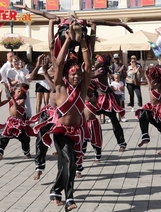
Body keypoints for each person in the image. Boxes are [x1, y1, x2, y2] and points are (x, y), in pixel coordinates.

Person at [48, 28, 91, 211]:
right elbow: (58, 65)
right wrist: (66, 41)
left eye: (78, 74)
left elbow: (87, 67)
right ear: (67, 74)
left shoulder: (82, 88)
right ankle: (69, 198)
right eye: (73, 74)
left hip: (76, 132)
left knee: (65, 162)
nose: (77, 76)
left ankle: (56, 190)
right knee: (70, 161)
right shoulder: (59, 87)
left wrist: (82, 43)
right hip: (60, 132)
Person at [92, 53, 127, 152]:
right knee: (87, 119)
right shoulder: (97, 69)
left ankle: (122, 143)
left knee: (114, 121)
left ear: (102, 63)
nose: (95, 62)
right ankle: (83, 148)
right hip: (97, 98)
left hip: (106, 99)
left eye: (97, 61)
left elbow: (92, 76)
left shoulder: (102, 70)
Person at [135, 66, 161, 155]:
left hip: (159, 108)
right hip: (151, 106)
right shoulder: (151, 82)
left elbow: (151, 88)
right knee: (142, 114)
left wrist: (146, 75)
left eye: (149, 73)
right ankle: (145, 137)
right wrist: (136, 74)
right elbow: (137, 83)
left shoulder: (158, 83)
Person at [0, 84, 35, 160]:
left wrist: (12, 97)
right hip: (11, 121)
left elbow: (17, 107)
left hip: (20, 122)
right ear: (14, 91)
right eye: (18, 91)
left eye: (21, 92)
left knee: (25, 139)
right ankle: (0, 152)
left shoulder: (22, 100)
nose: (20, 93)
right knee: (4, 136)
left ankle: (27, 152)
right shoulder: (11, 98)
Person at [83, 82, 102, 164]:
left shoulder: (93, 98)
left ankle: (98, 156)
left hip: (93, 123)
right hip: (84, 122)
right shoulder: (83, 97)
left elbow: (87, 98)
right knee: (83, 141)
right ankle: (82, 154)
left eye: (88, 90)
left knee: (95, 141)